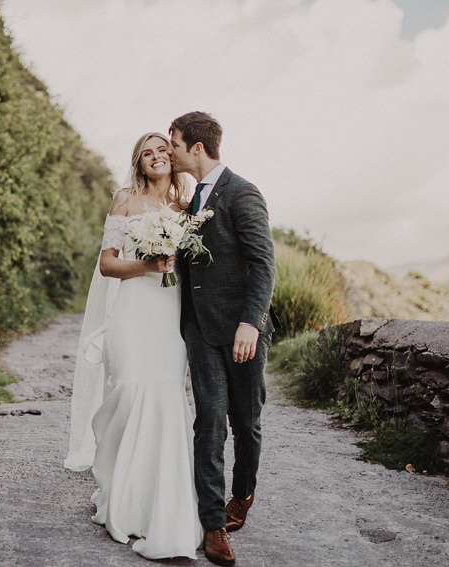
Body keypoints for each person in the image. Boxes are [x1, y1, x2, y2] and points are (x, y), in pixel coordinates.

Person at [65, 132, 203, 560]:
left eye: (164, 150)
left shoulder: (187, 206)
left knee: (163, 397)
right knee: (127, 391)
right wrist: (147, 264)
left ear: (173, 158)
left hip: (168, 316)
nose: (158, 157)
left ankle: (156, 504)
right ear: (139, 163)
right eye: (148, 153)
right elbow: (107, 263)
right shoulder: (125, 199)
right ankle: (117, 491)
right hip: (131, 313)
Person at [170, 112, 277, 566]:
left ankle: (244, 494)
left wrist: (250, 323)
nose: (169, 150)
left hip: (241, 330)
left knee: (245, 423)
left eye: (173, 142)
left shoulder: (242, 192)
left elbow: (264, 264)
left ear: (197, 147)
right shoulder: (188, 200)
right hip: (200, 329)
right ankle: (212, 524)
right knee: (209, 423)